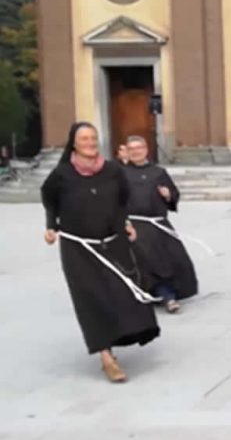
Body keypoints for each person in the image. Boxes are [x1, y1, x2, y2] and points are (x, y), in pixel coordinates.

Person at [41, 122, 160, 383]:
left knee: (122, 293)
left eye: (93, 138)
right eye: (84, 138)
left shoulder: (112, 170)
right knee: (91, 300)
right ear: (74, 143)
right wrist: (51, 226)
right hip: (78, 248)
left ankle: (123, 335)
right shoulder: (62, 174)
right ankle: (107, 358)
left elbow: (123, 199)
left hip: (112, 242)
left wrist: (126, 222)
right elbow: (49, 198)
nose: (90, 143)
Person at [124, 135, 200, 313]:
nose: (136, 151)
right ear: (127, 152)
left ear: (146, 150)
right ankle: (165, 295)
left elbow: (173, 196)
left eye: (139, 148)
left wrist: (168, 195)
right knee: (147, 259)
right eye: (132, 149)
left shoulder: (158, 172)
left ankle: (169, 293)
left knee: (173, 257)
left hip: (158, 224)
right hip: (134, 225)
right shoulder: (120, 173)